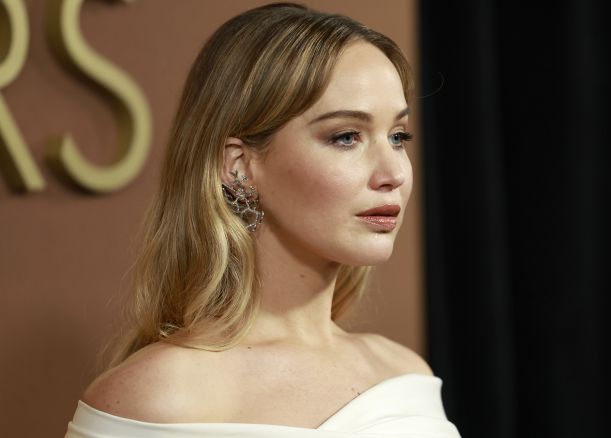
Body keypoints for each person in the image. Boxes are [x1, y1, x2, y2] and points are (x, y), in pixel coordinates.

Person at [63, 2, 460, 437]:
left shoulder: (405, 374)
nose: (394, 174)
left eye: (398, 137)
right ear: (238, 166)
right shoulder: (159, 396)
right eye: (346, 137)